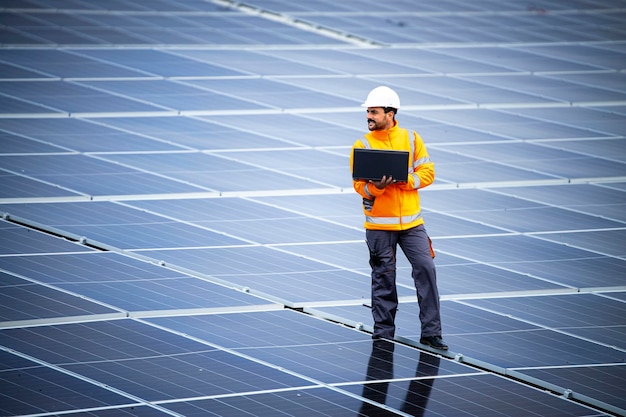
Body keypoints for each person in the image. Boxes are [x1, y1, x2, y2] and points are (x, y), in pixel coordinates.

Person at [350, 86, 448, 350]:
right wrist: (378, 188)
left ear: (390, 113)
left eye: (374, 112)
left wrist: (405, 181)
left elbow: (427, 172)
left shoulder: (412, 138)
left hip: (412, 225)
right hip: (380, 226)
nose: (369, 116)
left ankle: (431, 333)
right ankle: (383, 334)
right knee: (383, 278)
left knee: (426, 270)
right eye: (368, 112)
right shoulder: (363, 145)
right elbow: (359, 186)